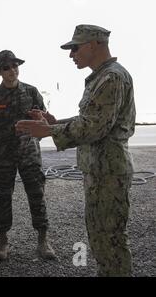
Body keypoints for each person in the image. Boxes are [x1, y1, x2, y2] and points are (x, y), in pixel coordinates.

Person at [16, 25, 135, 276]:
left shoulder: (111, 77)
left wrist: (48, 132)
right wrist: (54, 122)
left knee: (111, 237)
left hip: (109, 171)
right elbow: (90, 117)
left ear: (93, 44)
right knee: (100, 234)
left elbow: (94, 127)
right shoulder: (102, 77)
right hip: (99, 169)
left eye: (75, 48)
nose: (71, 55)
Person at [0, 50, 56, 261]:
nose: (12, 70)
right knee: (3, 196)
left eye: (15, 66)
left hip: (29, 153)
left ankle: (43, 240)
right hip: (5, 155)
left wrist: (37, 128)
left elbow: (43, 122)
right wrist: (13, 131)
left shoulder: (32, 92)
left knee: (37, 195)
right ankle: (2, 241)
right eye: (7, 67)